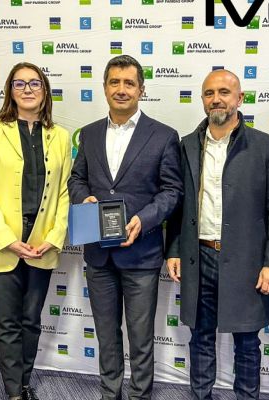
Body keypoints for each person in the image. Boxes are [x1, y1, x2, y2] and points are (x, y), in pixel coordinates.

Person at [165, 69, 269, 399]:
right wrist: (174, 250)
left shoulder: (265, 146)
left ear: (240, 98)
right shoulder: (187, 145)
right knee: (200, 337)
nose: (216, 99)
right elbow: (178, 205)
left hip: (248, 261)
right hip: (199, 257)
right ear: (202, 99)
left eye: (224, 92)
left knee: (247, 341)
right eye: (209, 93)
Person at [67, 55, 182, 400]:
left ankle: (140, 395)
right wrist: (83, 198)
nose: (121, 89)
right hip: (98, 255)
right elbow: (76, 179)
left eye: (129, 83)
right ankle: (109, 393)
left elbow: (172, 191)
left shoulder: (163, 135)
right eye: (114, 82)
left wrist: (143, 220)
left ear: (141, 89)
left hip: (141, 253)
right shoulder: (88, 134)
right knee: (106, 335)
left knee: (141, 337)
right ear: (104, 88)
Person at [0, 62, 71, 400]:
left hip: (41, 245)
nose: (27, 89)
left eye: (34, 83)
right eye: (19, 83)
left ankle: (25, 383)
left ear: (45, 90)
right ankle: (14, 392)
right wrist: (7, 240)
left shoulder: (61, 136)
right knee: (8, 323)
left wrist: (54, 238)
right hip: (1, 245)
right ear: (10, 91)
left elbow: (64, 193)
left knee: (31, 320)